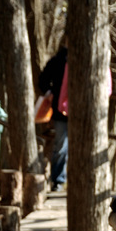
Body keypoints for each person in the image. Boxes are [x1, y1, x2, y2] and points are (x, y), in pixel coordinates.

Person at [38, 36, 68, 192]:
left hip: (80, 114)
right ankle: (58, 180)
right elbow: (42, 79)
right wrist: (49, 91)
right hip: (60, 112)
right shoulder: (58, 60)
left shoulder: (83, 61)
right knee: (61, 146)